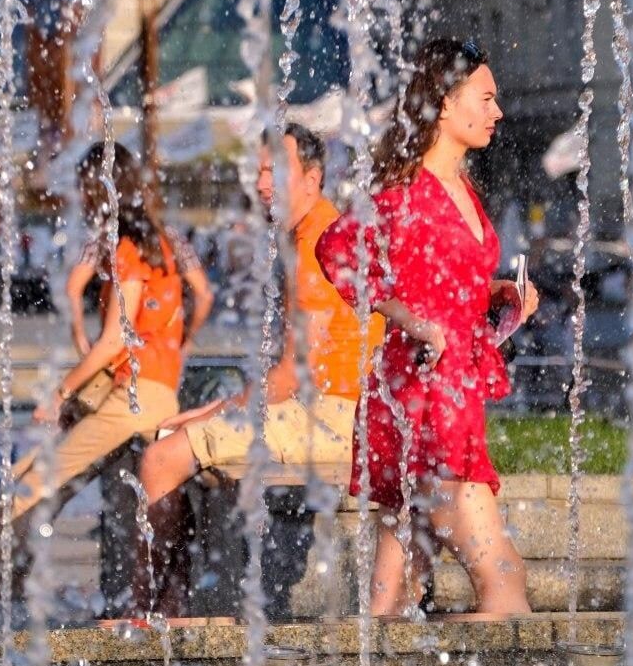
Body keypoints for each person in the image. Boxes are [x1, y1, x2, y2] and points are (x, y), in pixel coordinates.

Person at [316, 38, 539, 616]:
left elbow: (442, 282)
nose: (497, 112)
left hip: (448, 396)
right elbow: (337, 250)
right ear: (444, 104)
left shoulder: (462, 189)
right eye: (485, 99)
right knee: (504, 585)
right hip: (425, 399)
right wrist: (407, 318)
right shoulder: (406, 193)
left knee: (391, 603)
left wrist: (498, 293)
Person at [131, 122, 384, 617]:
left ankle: (148, 615)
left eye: (275, 172)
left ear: (311, 180)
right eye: (260, 172)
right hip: (339, 411)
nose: (262, 184)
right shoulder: (320, 232)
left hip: (334, 418)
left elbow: (292, 376)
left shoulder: (315, 246)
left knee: (159, 460)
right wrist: (215, 411)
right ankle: (173, 603)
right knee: (179, 444)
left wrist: (213, 412)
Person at [0, 142, 185, 620]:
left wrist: (61, 392)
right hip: (135, 390)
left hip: (136, 400)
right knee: (25, 482)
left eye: (87, 187)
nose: (82, 198)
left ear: (106, 188)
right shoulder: (155, 242)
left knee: (30, 488)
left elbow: (113, 339)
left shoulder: (127, 249)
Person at [66, 176, 213, 356]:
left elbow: (73, 288)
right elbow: (204, 294)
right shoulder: (169, 237)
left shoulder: (106, 236)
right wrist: (186, 339)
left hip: (119, 356)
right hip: (162, 354)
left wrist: (81, 340)